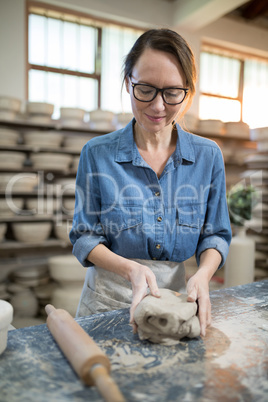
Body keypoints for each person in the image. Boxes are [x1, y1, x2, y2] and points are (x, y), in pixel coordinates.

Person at [69, 28, 232, 337]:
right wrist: (131, 269)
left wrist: (202, 275)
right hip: (106, 301)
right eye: (145, 89)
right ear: (128, 82)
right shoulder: (96, 154)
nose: (158, 106)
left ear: (188, 91)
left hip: (173, 302)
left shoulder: (208, 156)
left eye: (172, 93)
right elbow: (83, 237)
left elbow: (216, 235)